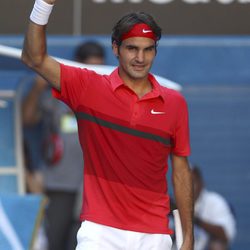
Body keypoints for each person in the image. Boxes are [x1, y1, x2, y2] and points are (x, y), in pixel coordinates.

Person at [21, 1, 194, 249]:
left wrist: (188, 236)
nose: (140, 58)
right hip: (100, 232)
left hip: (155, 234)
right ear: (116, 48)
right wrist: (44, 4)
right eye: (132, 48)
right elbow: (33, 57)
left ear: (155, 51)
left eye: (148, 49)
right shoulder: (88, 87)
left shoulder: (175, 103)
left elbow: (181, 170)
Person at [22, 40, 105, 250]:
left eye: (99, 67)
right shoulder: (58, 94)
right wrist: (36, 88)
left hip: (95, 186)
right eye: (90, 67)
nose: (95, 73)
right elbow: (27, 119)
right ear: (78, 65)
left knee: (85, 243)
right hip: (60, 184)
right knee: (54, 241)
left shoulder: (109, 96)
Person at [192, 166, 236, 250]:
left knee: (218, 246)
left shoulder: (215, 201)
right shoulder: (172, 205)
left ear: (201, 183)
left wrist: (195, 220)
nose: (188, 187)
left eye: (192, 182)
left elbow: (225, 234)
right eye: (183, 183)